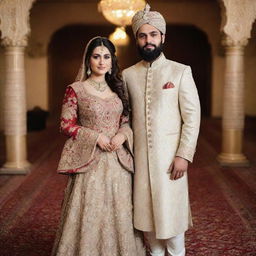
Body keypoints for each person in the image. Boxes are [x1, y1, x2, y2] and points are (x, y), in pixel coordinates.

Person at [52, 36, 145, 256]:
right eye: (96, 57)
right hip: (90, 161)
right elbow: (66, 125)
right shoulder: (76, 89)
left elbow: (125, 120)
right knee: (90, 210)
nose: (101, 62)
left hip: (118, 161)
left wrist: (122, 134)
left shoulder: (118, 88)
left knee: (119, 210)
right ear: (88, 60)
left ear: (112, 61)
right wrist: (96, 137)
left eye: (106, 57)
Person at [122, 4, 201, 256]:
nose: (148, 40)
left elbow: (192, 117)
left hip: (171, 162)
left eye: (153, 35)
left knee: (172, 221)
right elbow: (124, 116)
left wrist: (184, 155)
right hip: (141, 162)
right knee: (148, 224)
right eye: (143, 35)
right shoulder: (127, 75)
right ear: (137, 39)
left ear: (163, 37)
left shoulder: (180, 71)